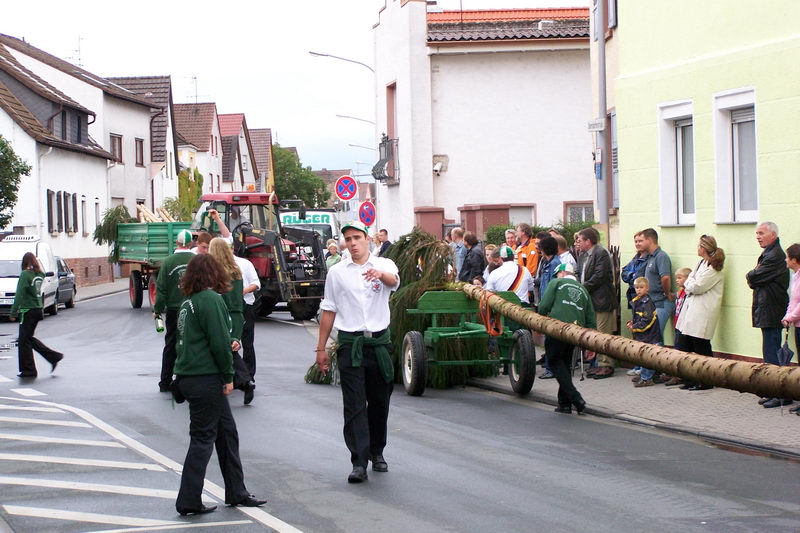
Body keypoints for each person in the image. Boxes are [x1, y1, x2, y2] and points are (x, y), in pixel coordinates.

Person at [173, 254, 266, 515]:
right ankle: (188, 499)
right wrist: (228, 376)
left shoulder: (188, 302)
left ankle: (237, 491)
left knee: (227, 434)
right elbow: (217, 343)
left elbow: (199, 338)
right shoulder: (211, 299)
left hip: (189, 377)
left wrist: (229, 340)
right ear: (214, 275)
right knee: (202, 439)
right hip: (206, 378)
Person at [315, 220, 400, 483]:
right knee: (354, 405)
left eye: (357, 238)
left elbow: (394, 281)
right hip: (351, 345)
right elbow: (329, 309)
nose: (352, 243)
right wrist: (321, 348)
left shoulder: (384, 265)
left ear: (367, 239)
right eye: (348, 239)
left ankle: (377, 451)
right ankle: (358, 461)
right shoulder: (337, 273)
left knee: (379, 403)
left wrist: (379, 276)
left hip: (378, 344)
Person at [538, 262, 595, 414]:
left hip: (556, 328)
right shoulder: (584, 290)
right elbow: (590, 318)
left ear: (562, 273)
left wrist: (540, 320)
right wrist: (590, 345)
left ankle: (576, 398)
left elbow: (543, 306)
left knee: (555, 361)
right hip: (575, 333)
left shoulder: (556, 283)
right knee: (565, 365)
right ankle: (564, 404)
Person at [746, 222, 791, 408]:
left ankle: (780, 393)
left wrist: (752, 274)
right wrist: (754, 276)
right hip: (767, 308)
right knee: (769, 351)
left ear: (773, 235)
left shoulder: (775, 256)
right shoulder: (769, 253)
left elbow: (754, 277)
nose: (758, 236)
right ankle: (773, 391)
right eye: (756, 233)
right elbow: (755, 278)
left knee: (772, 352)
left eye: (761, 233)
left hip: (772, 309)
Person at [675, 235, 726, 392]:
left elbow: (696, 286)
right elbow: (691, 280)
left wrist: (688, 283)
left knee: (701, 347)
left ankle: (706, 380)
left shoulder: (713, 269)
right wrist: (689, 283)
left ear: (703, 249)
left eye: (699, 246)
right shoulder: (701, 263)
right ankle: (690, 379)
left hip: (703, 312)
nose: (697, 248)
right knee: (687, 345)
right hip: (692, 310)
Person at [209, 238, 255, 405]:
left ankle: (223, 383)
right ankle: (245, 380)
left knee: (215, 350)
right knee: (231, 349)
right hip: (235, 314)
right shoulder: (236, 272)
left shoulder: (214, 272)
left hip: (218, 315)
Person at [154, 229, 195, 392]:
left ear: (176, 242)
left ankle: (165, 381)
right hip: (192, 308)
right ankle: (186, 379)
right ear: (191, 243)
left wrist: (157, 309)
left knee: (171, 344)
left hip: (173, 309)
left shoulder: (168, 262)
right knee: (191, 343)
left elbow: (161, 288)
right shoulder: (196, 260)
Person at [9, 252, 62, 378]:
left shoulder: (25, 275)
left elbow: (20, 293)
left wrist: (13, 311)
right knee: (27, 339)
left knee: (23, 340)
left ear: (24, 262)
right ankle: (53, 357)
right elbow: (43, 274)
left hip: (27, 310)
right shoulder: (38, 274)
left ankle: (29, 370)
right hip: (38, 308)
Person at [575, 227, 617, 378]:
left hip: (602, 299)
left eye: (579, 240)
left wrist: (582, 288)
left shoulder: (601, 253)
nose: (577, 243)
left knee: (603, 333)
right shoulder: (582, 255)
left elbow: (599, 276)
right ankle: (598, 362)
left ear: (589, 241)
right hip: (590, 300)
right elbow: (579, 273)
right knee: (593, 332)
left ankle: (606, 364)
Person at [640, 228, 675, 343]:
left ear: (649, 240)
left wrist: (667, 293)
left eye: (642, 240)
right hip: (652, 303)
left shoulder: (661, 256)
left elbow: (665, 277)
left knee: (655, 335)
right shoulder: (650, 257)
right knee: (653, 335)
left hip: (661, 302)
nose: (639, 243)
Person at [627, 277, 663, 387]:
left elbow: (648, 320)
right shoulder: (637, 301)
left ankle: (647, 378)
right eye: (637, 288)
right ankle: (647, 374)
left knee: (647, 356)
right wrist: (632, 322)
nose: (639, 290)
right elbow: (638, 317)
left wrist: (635, 327)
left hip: (649, 335)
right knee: (642, 356)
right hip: (643, 335)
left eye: (641, 287)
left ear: (647, 289)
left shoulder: (647, 302)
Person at [233, 252, 260, 384]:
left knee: (247, 341)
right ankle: (238, 374)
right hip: (229, 305)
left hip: (246, 304)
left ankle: (248, 375)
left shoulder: (245, 263)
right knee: (234, 341)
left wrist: (242, 291)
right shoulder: (216, 263)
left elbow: (256, 283)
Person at [663, 267, 692, 387]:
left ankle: (679, 376)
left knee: (681, 350)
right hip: (677, 325)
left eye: (680, 278)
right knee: (677, 349)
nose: (677, 281)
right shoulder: (680, 292)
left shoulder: (689, 293)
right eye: (676, 278)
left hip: (684, 327)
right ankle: (675, 373)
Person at [781, 243, 800, 414]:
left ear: (794, 259)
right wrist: (787, 316)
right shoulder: (796, 276)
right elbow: (792, 301)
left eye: (787, 257)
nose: (785, 260)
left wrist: (791, 317)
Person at [621, 232, 649, 309]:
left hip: (644, 298)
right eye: (636, 241)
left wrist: (632, 276)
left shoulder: (650, 258)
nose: (637, 244)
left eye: (640, 241)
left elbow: (639, 276)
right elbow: (624, 273)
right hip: (633, 295)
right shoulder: (636, 257)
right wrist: (631, 275)